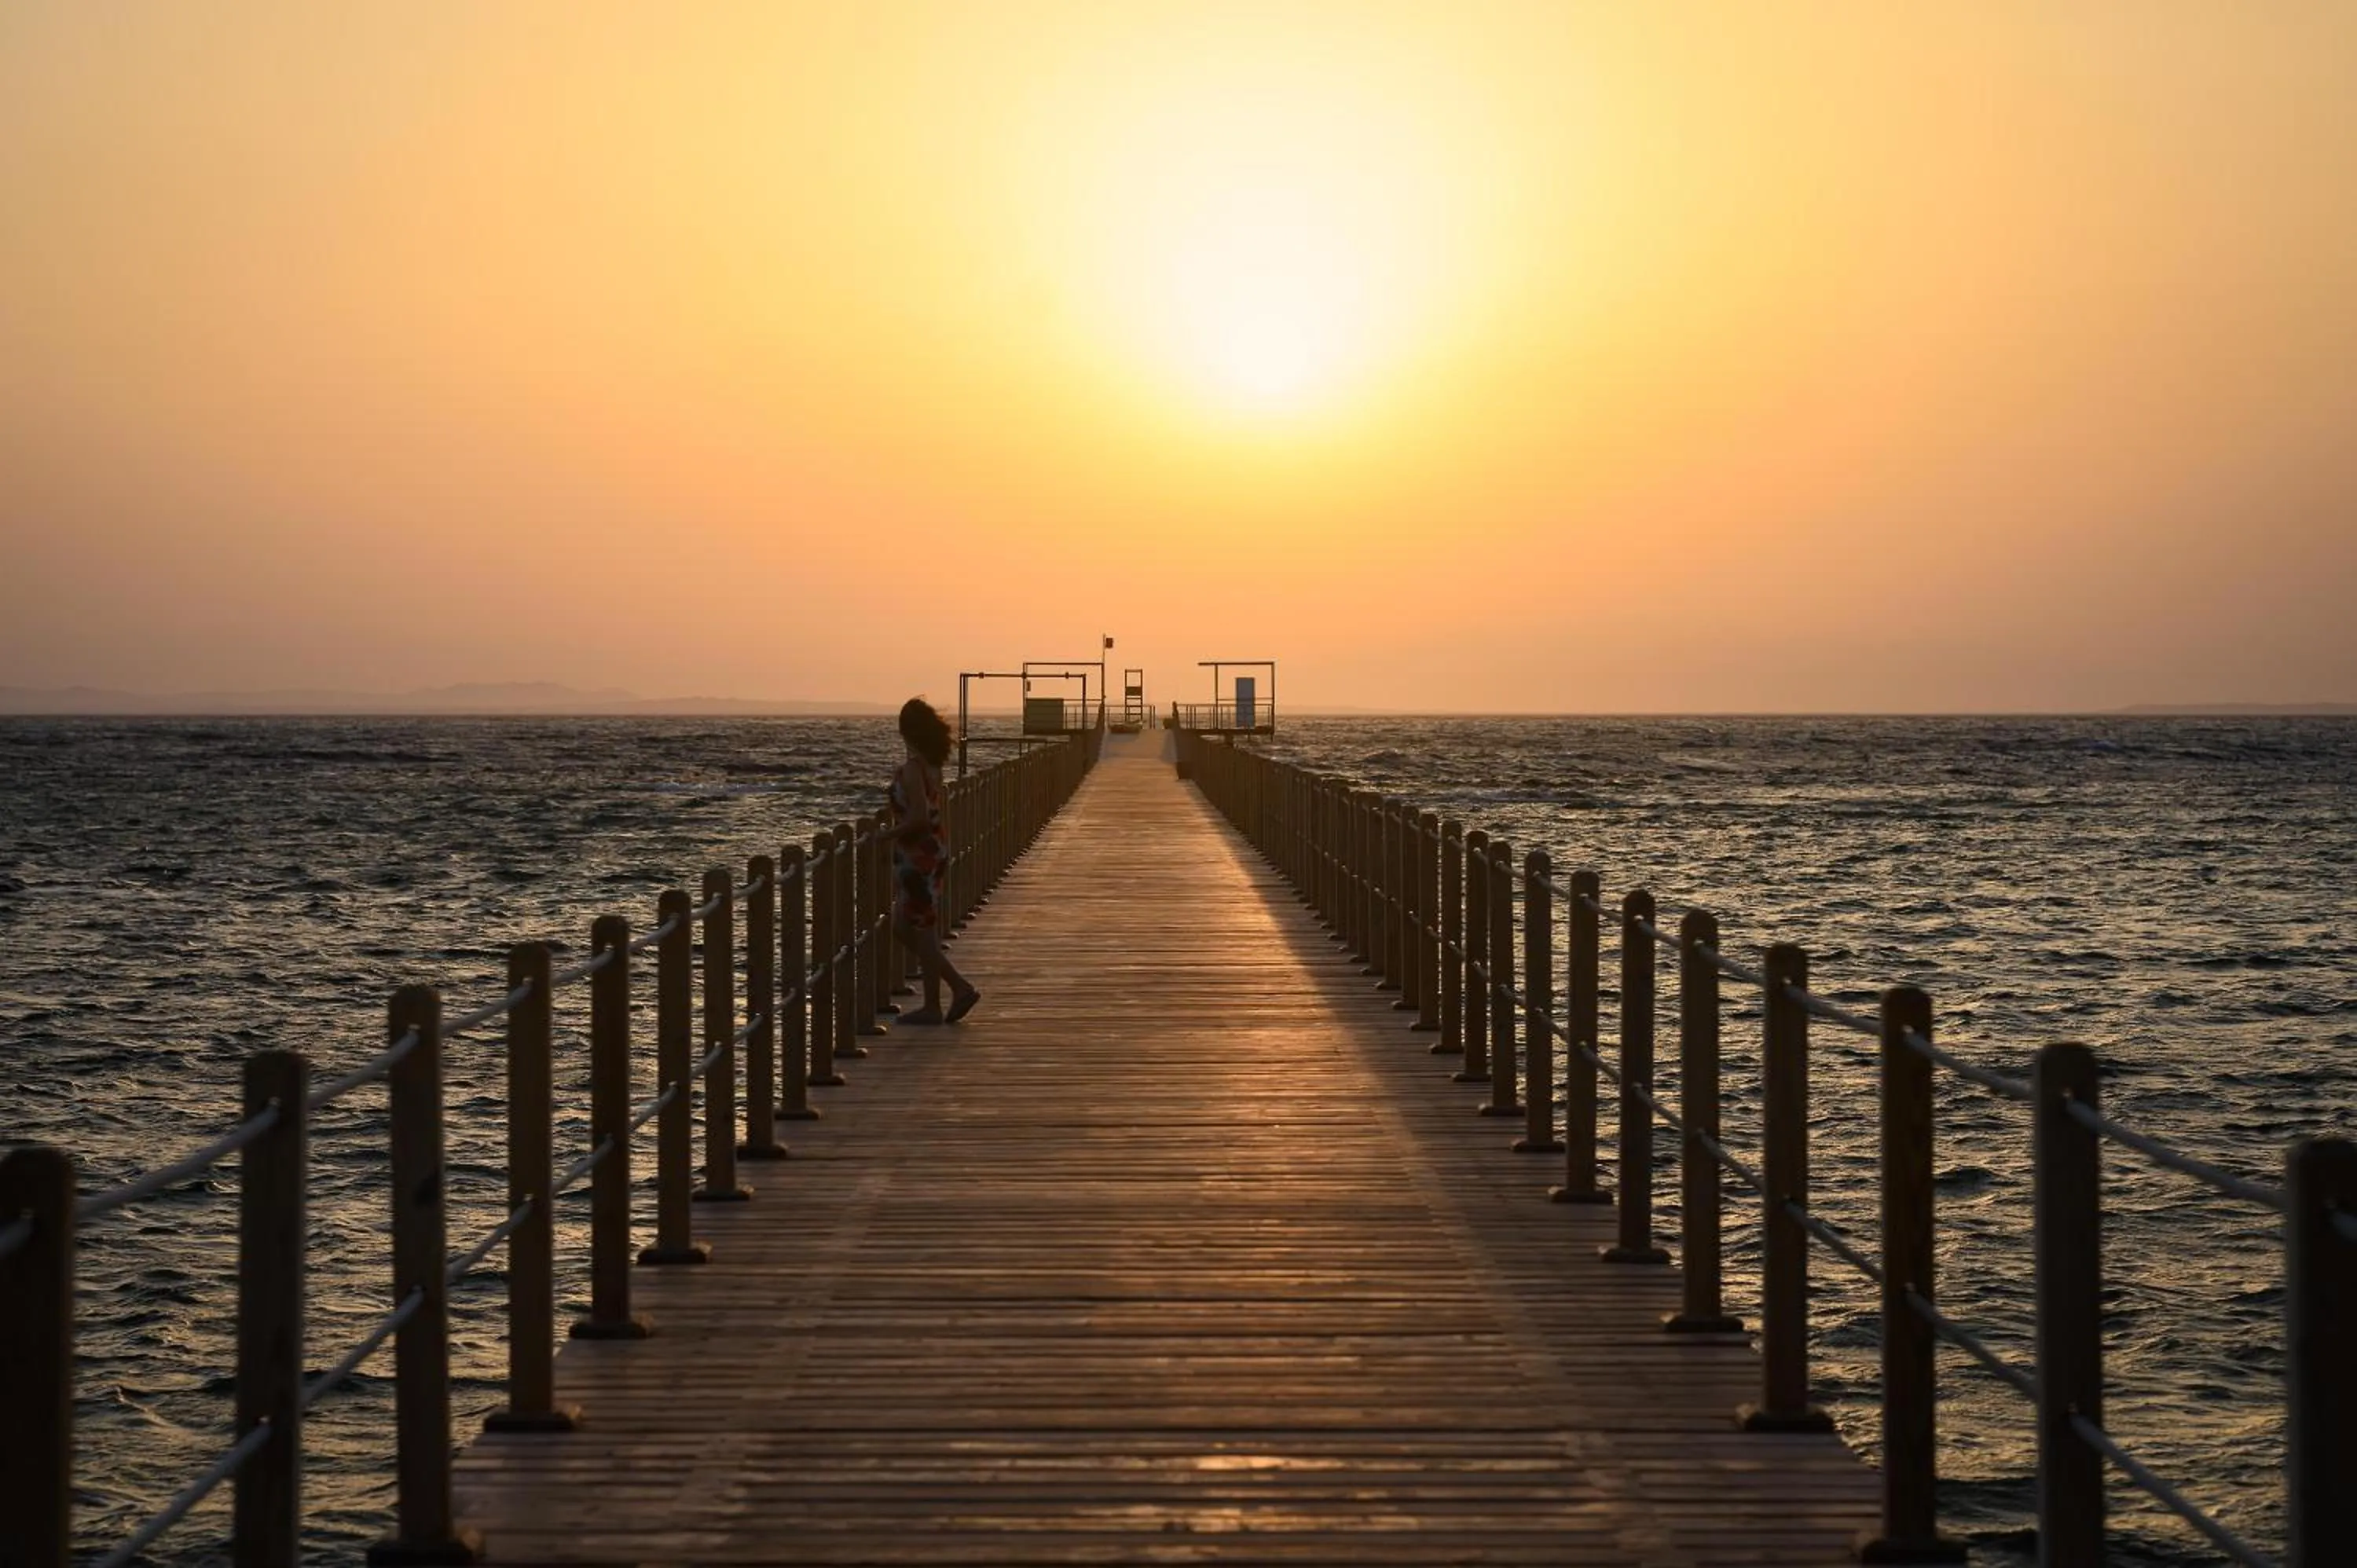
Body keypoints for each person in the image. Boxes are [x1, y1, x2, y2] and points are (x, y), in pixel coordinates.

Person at [887, 697, 980, 1024]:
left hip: (919, 856)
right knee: (903, 926)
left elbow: (920, 819)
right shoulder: (931, 766)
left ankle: (935, 1004)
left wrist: (886, 836)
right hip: (928, 853)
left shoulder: (914, 770)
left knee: (922, 930)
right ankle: (957, 987)